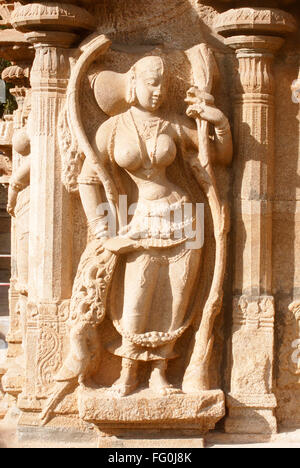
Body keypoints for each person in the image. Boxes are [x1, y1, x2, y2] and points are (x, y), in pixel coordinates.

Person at [77, 55, 233, 396]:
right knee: (137, 296)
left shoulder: (174, 125)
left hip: (181, 216)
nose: (158, 91)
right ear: (133, 82)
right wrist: (102, 229)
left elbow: (219, 156)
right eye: (151, 82)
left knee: (176, 299)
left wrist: (217, 121)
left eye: (163, 84)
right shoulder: (113, 128)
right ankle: (128, 372)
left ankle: (161, 371)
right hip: (140, 218)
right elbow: (87, 178)